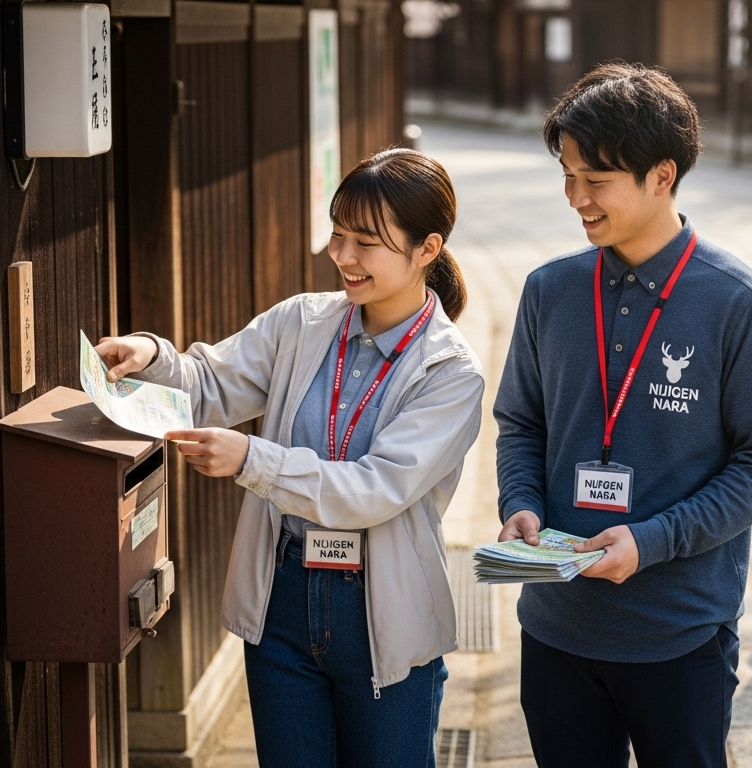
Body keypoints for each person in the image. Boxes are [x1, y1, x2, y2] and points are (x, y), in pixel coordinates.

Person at [96, 148, 484, 767]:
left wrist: (253, 459)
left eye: (366, 242)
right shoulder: (301, 322)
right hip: (283, 599)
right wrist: (152, 355)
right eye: (338, 235)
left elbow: (375, 489)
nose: (344, 258)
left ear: (427, 250)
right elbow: (209, 383)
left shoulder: (450, 372)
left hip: (382, 614)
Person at [494, 62, 752, 767]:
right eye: (566, 176)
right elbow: (521, 422)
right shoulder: (548, 291)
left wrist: (653, 540)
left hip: (679, 631)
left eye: (593, 180)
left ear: (661, 176)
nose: (575, 198)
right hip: (555, 626)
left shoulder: (739, 304)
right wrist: (521, 502)